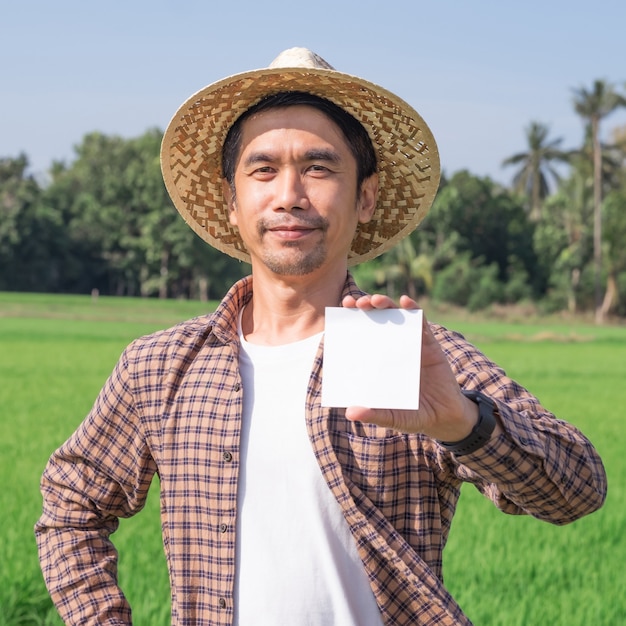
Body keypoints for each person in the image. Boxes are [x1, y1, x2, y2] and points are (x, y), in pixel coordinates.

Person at [35, 48, 607, 626]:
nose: (289, 195)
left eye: (319, 168)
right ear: (233, 202)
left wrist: (462, 420)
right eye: (263, 170)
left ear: (366, 197)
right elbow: (69, 507)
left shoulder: (412, 356)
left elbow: (579, 488)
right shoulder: (162, 367)